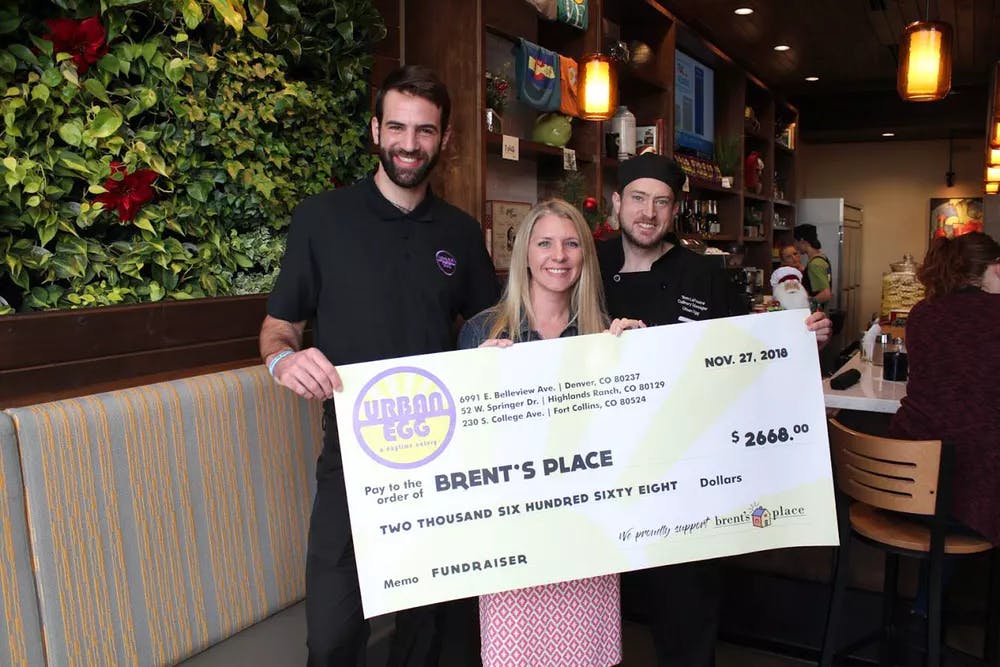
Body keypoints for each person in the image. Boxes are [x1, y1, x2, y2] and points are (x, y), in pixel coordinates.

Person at [259, 64, 499, 666]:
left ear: (444, 140)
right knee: (335, 635)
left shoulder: (462, 233)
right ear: (375, 130)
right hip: (350, 457)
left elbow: (492, 327)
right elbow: (278, 328)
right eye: (397, 127)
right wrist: (284, 361)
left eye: (425, 131)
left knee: (428, 635)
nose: (409, 144)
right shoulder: (322, 219)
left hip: (443, 455)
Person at [595, 153, 832, 667]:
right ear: (617, 203)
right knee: (589, 616)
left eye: (661, 202)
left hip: (684, 471)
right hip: (601, 468)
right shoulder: (585, 265)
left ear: (675, 209)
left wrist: (799, 341)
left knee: (685, 616)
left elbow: (747, 356)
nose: (648, 212)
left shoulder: (706, 273)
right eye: (637, 198)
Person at [458, 198, 643, 667]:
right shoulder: (483, 332)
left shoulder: (605, 335)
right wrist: (475, 383)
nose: (558, 255)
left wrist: (639, 358)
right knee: (514, 654)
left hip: (587, 525)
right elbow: (463, 447)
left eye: (571, 243)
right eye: (544, 243)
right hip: (513, 531)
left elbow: (632, 436)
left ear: (585, 255)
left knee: (585, 654)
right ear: (525, 254)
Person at [889, 231, 1000, 546]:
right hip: (973, 494)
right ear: (996, 267)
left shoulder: (923, 312)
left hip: (905, 482)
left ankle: (931, 594)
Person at [793, 223, 833, 312]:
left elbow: (826, 294)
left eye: (795, 241)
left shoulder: (815, 264)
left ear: (802, 241)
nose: (795, 246)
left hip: (816, 314)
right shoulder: (821, 258)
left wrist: (805, 304)